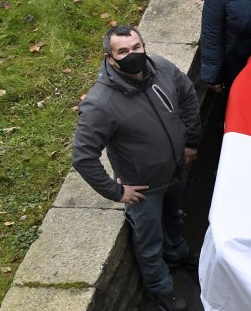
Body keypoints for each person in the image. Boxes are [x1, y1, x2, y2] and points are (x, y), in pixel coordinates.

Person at [72, 26, 201, 311]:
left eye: (136, 47)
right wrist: (116, 192)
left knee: (173, 217)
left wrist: (191, 142)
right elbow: (83, 157)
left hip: (175, 169)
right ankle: (161, 287)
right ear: (110, 58)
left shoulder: (162, 69)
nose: (133, 54)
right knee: (149, 240)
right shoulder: (100, 105)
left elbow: (188, 96)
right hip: (144, 188)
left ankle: (177, 252)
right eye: (123, 51)